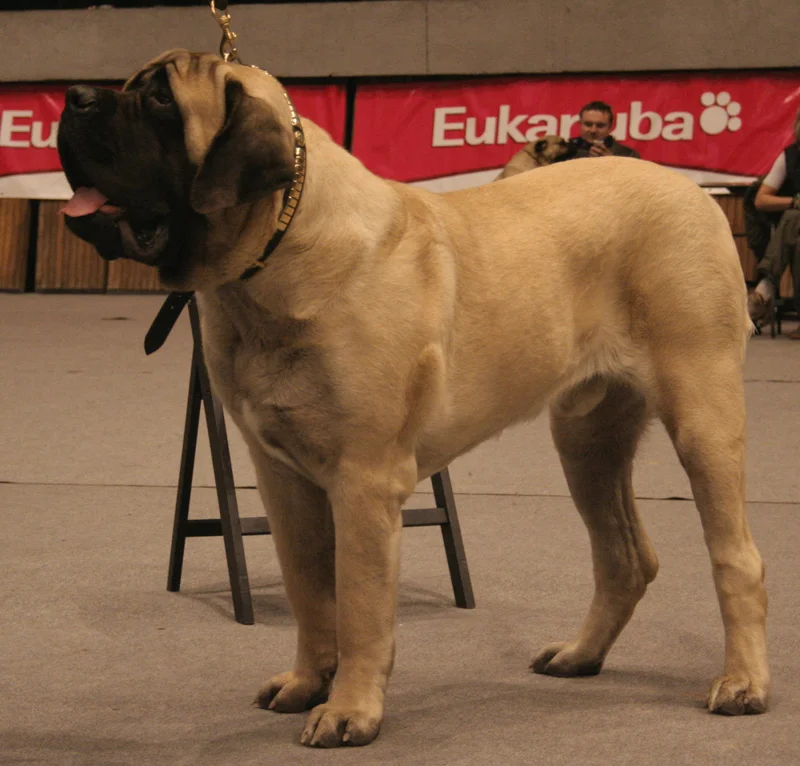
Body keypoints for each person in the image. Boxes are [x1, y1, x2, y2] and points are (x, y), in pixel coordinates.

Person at [747, 106, 800, 336]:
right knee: (794, 220)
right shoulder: (790, 155)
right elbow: (761, 200)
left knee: (792, 219)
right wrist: (794, 202)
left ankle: (764, 289)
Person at [572, 101, 640, 159]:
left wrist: (612, 162)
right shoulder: (564, 151)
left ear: (610, 127)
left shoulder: (628, 155)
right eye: (588, 124)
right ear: (580, 124)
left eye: (600, 125)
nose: (593, 130)